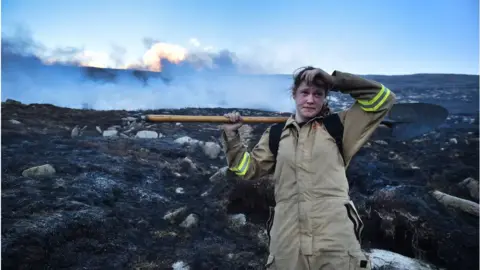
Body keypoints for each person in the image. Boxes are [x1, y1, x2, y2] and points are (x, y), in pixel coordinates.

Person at [220, 66, 396, 270]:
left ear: (325, 97)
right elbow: (247, 169)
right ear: (294, 95)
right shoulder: (276, 134)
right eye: (304, 92)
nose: (310, 100)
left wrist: (335, 81)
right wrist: (232, 137)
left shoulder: (340, 125)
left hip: (334, 237)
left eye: (318, 94)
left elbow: (383, 98)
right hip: (287, 240)